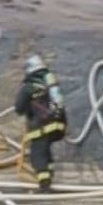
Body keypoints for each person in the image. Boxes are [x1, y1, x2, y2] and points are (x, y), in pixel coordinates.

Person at [14, 52, 68, 193]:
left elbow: (18, 108)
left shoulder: (29, 86)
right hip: (59, 124)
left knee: (37, 154)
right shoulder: (50, 82)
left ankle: (45, 185)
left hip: (41, 125)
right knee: (45, 151)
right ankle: (48, 178)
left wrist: (27, 107)